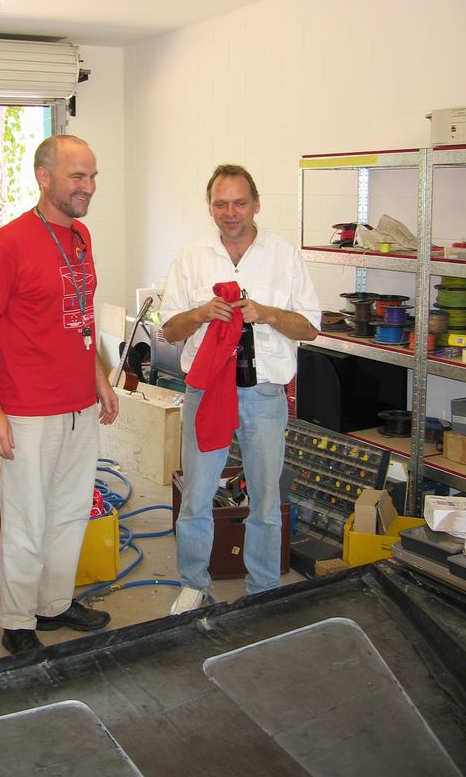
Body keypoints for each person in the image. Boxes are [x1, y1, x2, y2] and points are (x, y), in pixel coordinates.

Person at [0, 134, 119, 655]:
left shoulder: (82, 238)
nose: (89, 187)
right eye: (78, 176)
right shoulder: (9, 242)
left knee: (71, 513)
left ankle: (54, 606)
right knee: (27, 520)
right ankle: (17, 621)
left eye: (93, 176)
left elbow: (83, 315)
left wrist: (99, 376)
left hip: (78, 404)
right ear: (44, 176)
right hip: (27, 411)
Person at [160, 164, 320, 614]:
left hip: (264, 394)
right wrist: (200, 314)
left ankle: (264, 588)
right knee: (196, 495)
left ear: (256, 204)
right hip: (207, 391)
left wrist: (267, 313)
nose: (230, 213)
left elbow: (309, 328)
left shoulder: (284, 257)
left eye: (239, 202)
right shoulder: (191, 258)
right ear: (209, 205)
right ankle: (194, 583)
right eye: (220, 203)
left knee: (266, 500)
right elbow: (169, 331)